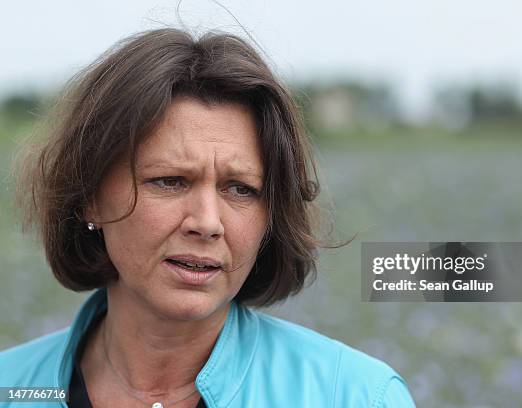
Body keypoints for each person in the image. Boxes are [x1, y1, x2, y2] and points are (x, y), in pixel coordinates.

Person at [0, 28, 415, 407]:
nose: (207, 222)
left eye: (241, 189)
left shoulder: (352, 395)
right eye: (169, 181)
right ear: (89, 196)